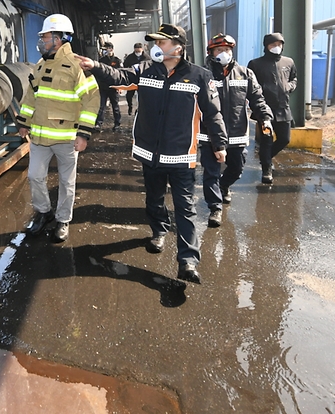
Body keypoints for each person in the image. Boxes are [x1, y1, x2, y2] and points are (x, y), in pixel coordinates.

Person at [79, 24, 227, 284]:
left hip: (181, 156)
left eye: (162, 43)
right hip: (150, 153)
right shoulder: (146, 69)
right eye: (155, 43)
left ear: (178, 47)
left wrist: (219, 144)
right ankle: (159, 231)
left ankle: (188, 261)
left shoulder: (200, 76)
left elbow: (213, 113)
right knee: (154, 200)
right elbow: (119, 75)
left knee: (185, 208)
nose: (156, 47)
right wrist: (95, 65)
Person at [16, 14, 100, 242]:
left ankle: (63, 220)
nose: (42, 40)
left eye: (45, 36)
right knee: (35, 177)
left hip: (67, 138)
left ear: (59, 38)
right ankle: (44, 213)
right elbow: (31, 96)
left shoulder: (77, 64)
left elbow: (91, 100)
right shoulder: (41, 64)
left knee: (66, 182)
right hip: (40, 137)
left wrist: (83, 134)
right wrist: (23, 123)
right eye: (42, 36)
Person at [202, 34, 273, 226]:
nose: (224, 54)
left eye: (227, 50)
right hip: (209, 134)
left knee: (236, 169)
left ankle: (224, 186)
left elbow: (257, 98)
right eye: (219, 50)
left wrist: (265, 118)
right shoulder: (203, 74)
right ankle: (215, 209)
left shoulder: (245, 73)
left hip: (236, 133)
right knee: (211, 173)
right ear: (211, 53)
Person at [247, 32, 298, 184]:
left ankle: (266, 158)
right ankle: (266, 169)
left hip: (283, 107)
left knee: (284, 139)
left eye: (279, 45)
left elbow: (294, 78)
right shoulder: (255, 64)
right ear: (266, 46)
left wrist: (289, 86)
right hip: (264, 110)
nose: (276, 48)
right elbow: (250, 85)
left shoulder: (288, 62)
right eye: (273, 45)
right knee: (266, 140)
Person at [95, 41, 122, 131]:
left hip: (114, 87)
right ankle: (98, 123)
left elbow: (120, 74)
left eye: (106, 49)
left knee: (115, 106)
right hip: (103, 86)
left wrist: (120, 87)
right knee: (101, 106)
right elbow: (98, 73)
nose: (105, 51)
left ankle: (117, 123)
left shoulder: (117, 60)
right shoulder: (102, 60)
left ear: (111, 49)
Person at [121, 42, 145, 114]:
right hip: (132, 79)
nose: (137, 53)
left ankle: (140, 109)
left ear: (142, 49)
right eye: (136, 51)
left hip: (142, 80)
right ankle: (130, 107)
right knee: (129, 95)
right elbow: (125, 67)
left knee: (142, 96)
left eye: (139, 51)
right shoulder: (130, 57)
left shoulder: (146, 57)